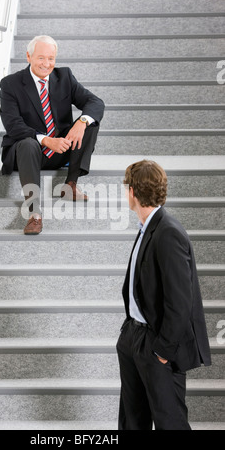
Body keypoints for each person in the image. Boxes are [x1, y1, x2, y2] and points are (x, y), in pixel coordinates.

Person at [117, 159, 211, 430]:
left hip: (156, 345)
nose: (126, 194)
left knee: (170, 423)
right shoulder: (148, 227)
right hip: (134, 337)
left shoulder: (168, 232)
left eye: (126, 189)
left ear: (133, 192)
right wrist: (128, 334)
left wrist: (162, 351)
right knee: (132, 422)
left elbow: (180, 302)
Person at [0, 35, 104, 234]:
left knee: (89, 123)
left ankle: (70, 185)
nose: (46, 64)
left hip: (60, 150)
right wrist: (47, 141)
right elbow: (13, 125)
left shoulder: (64, 76)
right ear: (28, 56)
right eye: (41, 58)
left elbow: (95, 102)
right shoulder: (10, 84)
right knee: (28, 143)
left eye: (51, 58)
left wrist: (81, 122)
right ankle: (34, 213)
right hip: (28, 153)